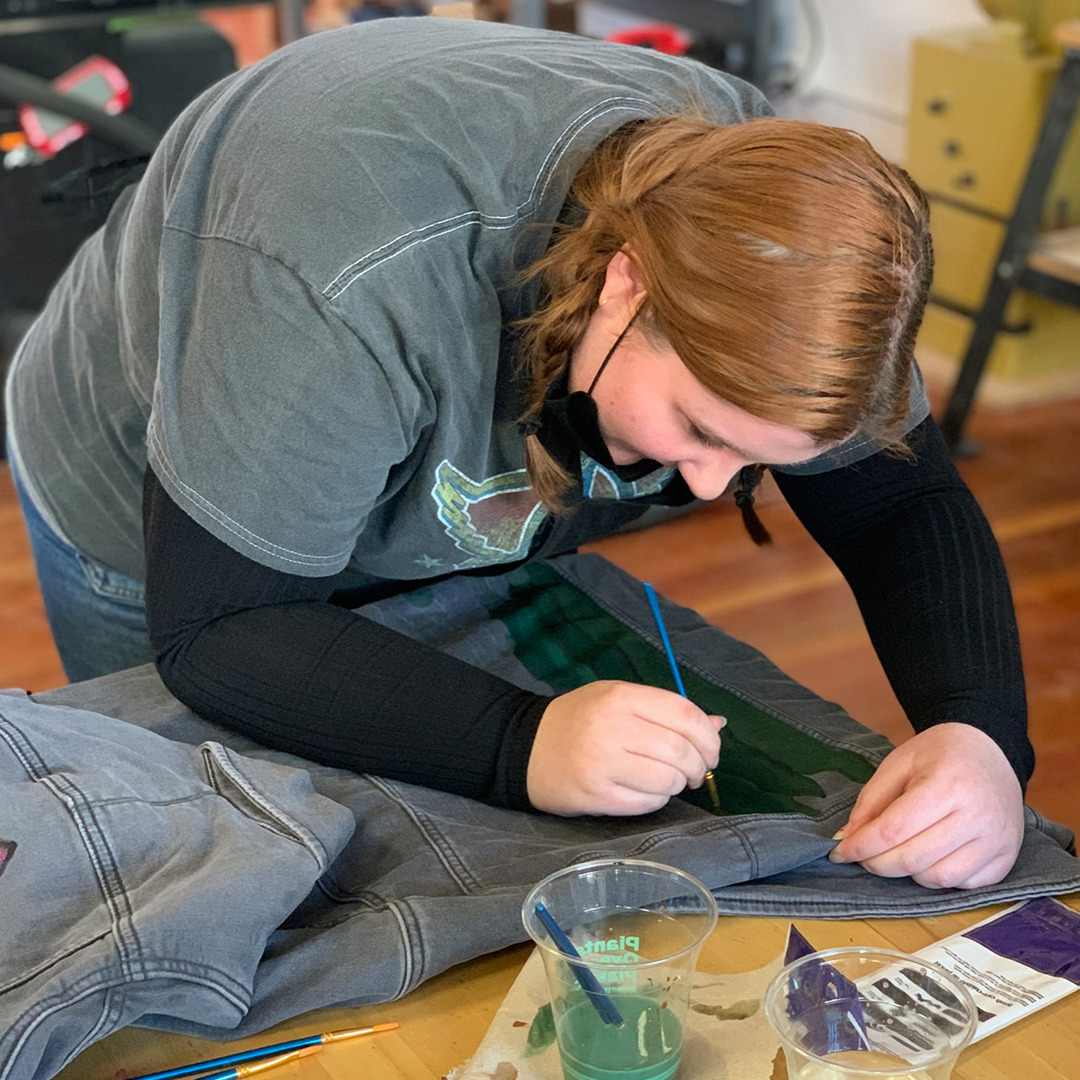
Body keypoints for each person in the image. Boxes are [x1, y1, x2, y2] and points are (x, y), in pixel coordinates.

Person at [5, 16, 1028, 891]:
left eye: (757, 459)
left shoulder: (794, 250)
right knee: (225, 849)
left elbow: (901, 505)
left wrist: (979, 734)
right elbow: (222, 623)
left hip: (399, 428)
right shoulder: (343, 269)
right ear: (626, 284)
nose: (714, 487)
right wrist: (519, 745)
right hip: (165, 500)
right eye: (705, 431)